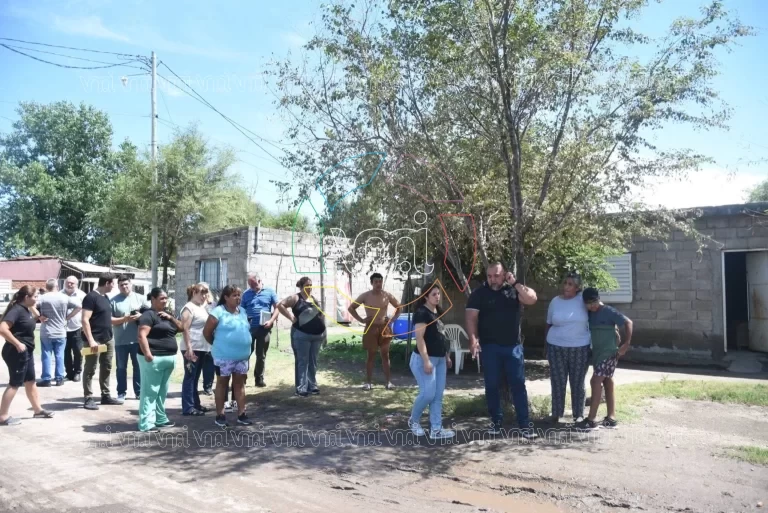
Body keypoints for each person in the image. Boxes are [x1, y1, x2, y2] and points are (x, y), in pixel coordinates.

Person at [465, 262, 539, 438]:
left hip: (513, 347)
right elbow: (470, 318)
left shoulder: (513, 291)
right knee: (491, 386)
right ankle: (496, 422)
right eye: (489, 276)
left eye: (496, 275)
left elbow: (532, 299)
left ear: (504, 274)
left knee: (518, 385)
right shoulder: (479, 294)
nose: (492, 279)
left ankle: (524, 425)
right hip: (490, 347)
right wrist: (473, 340)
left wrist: (515, 283)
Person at [575, 288, 634, 431]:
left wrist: (626, 344)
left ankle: (591, 420)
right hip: (598, 354)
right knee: (607, 381)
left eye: (594, 302)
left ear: (599, 299)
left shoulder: (608, 311)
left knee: (595, 381)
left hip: (610, 353)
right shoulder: (589, 314)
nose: (592, 306)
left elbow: (629, 322)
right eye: (588, 304)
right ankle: (611, 418)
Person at [0, 286, 55, 426]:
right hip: (16, 352)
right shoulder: (17, 310)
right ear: (26, 297)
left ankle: (38, 410)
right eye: (35, 296)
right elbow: (2, 328)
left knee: (30, 381)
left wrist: (36, 312)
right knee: (14, 383)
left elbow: (34, 315)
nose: (37, 299)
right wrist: (17, 343)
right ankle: (3, 416)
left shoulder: (26, 309)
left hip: (26, 352)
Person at [408, 283, 454, 439]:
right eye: (433, 294)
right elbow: (419, 339)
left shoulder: (437, 312)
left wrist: (446, 356)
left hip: (440, 359)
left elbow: (441, 335)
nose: (437, 296)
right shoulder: (422, 313)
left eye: (438, 294)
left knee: (437, 395)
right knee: (428, 394)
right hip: (423, 359)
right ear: (426, 296)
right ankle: (413, 421)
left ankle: (436, 429)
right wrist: (426, 361)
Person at [203, 285, 253, 428]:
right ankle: (220, 415)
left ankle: (242, 414)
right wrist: (219, 345)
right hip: (223, 357)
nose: (238, 298)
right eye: (234, 295)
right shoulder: (218, 312)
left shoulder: (242, 311)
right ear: (225, 297)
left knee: (239, 384)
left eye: (239, 295)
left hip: (242, 357)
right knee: (222, 384)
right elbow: (207, 333)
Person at [545, 271, 591, 423]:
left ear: (577, 287)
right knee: (558, 381)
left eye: (570, 284)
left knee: (577, 382)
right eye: (565, 283)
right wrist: (545, 345)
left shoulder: (583, 301)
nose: (566, 286)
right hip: (556, 347)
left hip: (580, 347)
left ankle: (578, 415)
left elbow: (597, 311)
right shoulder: (555, 302)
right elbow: (548, 323)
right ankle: (556, 413)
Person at [137, 288, 182, 432]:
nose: (165, 301)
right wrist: (148, 354)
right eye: (162, 298)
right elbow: (141, 335)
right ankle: (146, 423)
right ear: (153, 299)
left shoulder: (167, 315)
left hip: (168, 358)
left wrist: (171, 318)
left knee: (162, 391)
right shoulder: (148, 315)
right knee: (150, 392)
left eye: (166, 298)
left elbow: (181, 327)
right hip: (153, 358)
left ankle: (160, 419)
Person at [347, 272, 401, 390]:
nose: (378, 284)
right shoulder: (365, 296)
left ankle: (388, 382)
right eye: (376, 281)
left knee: (385, 355)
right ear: (372, 283)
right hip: (371, 327)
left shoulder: (386, 295)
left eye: (380, 281)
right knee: (371, 355)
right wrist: (361, 319)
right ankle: (368, 383)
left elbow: (399, 307)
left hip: (384, 328)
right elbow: (351, 308)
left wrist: (392, 319)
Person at [276, 277, 326, 397]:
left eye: (311, 285)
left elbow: (321, 316)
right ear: (301, 286)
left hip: (317, 336)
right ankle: (301, 388)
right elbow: (280, 305)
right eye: (307, 285)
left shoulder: (314, 299)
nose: (309, 287)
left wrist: (325, 333)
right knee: (302, 361)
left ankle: (312, 385)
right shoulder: (295, 298)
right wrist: (291, 318)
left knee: (312, 362)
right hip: (301, 335)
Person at [81, 273, 124, 410]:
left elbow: (108, 319)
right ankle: (88, 398)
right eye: (113, 284)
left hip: (108, 338)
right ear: (107, 283)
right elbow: (85, 320)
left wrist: (127, 318)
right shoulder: (90, 297)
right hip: (95, 340)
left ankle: (105, 395)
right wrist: (91, 340)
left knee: (106, 367)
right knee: (90, 369)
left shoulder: (105, 297)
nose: (114, 287)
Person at [37, 278, 81, 387]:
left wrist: (39, 316)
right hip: (61, 331)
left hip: (46, 331)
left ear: (47, 287)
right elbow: (79, 306)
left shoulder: (42, 298)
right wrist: (68, 317)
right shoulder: (64, 297)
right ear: (57, 286)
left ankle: (46, 379)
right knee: (60, 355)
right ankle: (59, 378)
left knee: (46, 355)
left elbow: (31, 305)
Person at [110, 275, 145, 401]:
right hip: (120, 341)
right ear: (118, 286)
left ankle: (139, 392)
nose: (124, 286)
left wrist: (140, 316)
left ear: (131, 284)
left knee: (138, 367)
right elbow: (110, 320)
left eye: (126, 284)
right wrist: (124, 319)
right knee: (121, 368)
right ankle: (121, 393)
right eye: (121, 285)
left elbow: (150, 315)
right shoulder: (113, 301)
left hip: (138, 340)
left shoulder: (141, 298)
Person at [180, 283, 213, 416]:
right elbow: (185, 329)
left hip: (202, 347)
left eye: (205, 293)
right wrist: (189, 348)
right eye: (201, 293)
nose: (204, 296)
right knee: (190, 377)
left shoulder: (201, 307)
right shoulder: (188, 308)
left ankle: (196, 404)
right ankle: (188, 407)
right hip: (191, 347)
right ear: (194, 293)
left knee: (195, 377)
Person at [62, 276, 87, 382]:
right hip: (62, 329)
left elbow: (87, 312)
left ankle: (77, 372)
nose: (70, 284)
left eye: (72, 283)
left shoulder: (82, 295)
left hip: (78, 327)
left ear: (76, 284)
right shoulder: (59, 294)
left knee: (78, 351)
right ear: (64, 283)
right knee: (65, 351)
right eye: (68, 282)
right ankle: (69, 373)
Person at [200, 284, 215, 396]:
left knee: (209, 364)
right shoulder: (194, 305)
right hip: (197, 339)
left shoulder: (212, 305)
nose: (203, 294)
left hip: (210, 338)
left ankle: (208, 386)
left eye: (205, 291)